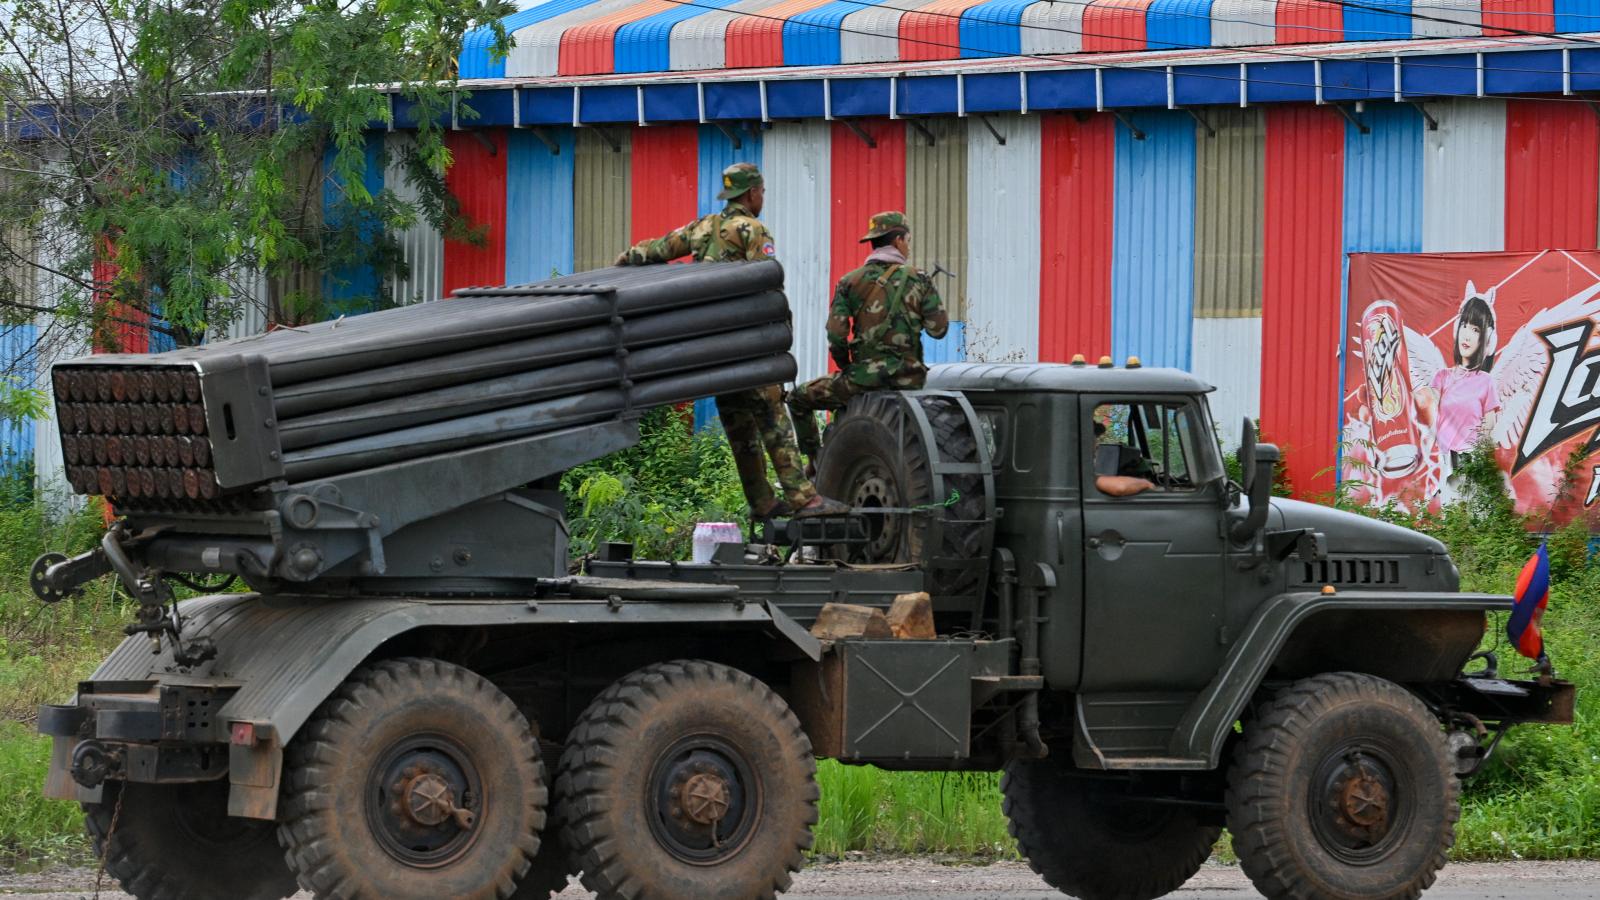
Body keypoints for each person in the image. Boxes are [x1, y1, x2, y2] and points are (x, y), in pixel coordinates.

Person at [614, 162, 848, 519]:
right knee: (773, 419)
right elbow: (768, 283)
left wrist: (626, 258)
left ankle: (762, 502)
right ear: (751, 193)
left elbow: (657, 249)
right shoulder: (753, 229)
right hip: (749, 344)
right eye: (762, 192)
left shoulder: (702, 227)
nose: (762, 198)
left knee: (739, 427)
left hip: (713, 349)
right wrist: (779, 335)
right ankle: (805, 500)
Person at [786, 211, 949, 461]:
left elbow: (836, 335)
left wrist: (848, 367)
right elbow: (938, 331)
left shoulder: (849, 281)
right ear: (898, 240)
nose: (908, 247)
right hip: (909, 378)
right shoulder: (919, 279)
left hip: (863, 381)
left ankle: (816, 461)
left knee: (798, 399)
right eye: (908, 240)